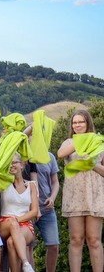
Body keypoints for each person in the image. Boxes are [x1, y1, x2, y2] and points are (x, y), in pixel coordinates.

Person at [57, 109, 104, 272]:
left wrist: (93, 165)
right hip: (74, 195)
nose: (77, 125)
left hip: (95, 195)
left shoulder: (99, 142)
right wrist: (82, 141)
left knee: (94, 240)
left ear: (88, 123)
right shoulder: (68, 142)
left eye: (81, 122)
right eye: (74, 122)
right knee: (76, 239)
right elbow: (60, 153)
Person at [0, 154, 38, 272]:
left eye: (14, 162)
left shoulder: (31, 185)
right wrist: (14, 221)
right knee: (12, 224)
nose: (12, 165)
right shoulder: (3, 183)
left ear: (22, 165)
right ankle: (26, 263)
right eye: (9, 163)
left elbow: (34, 211)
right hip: (5, 222)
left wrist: (17, 219)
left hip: (24, 223)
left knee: (11, 242)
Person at [24, 152, 60, 272]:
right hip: (27, 209)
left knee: (54, 245)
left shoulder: (49, 156)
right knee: (28, 247)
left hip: (47, 208)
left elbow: (55, 181)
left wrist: (52, 198)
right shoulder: (22, 156)